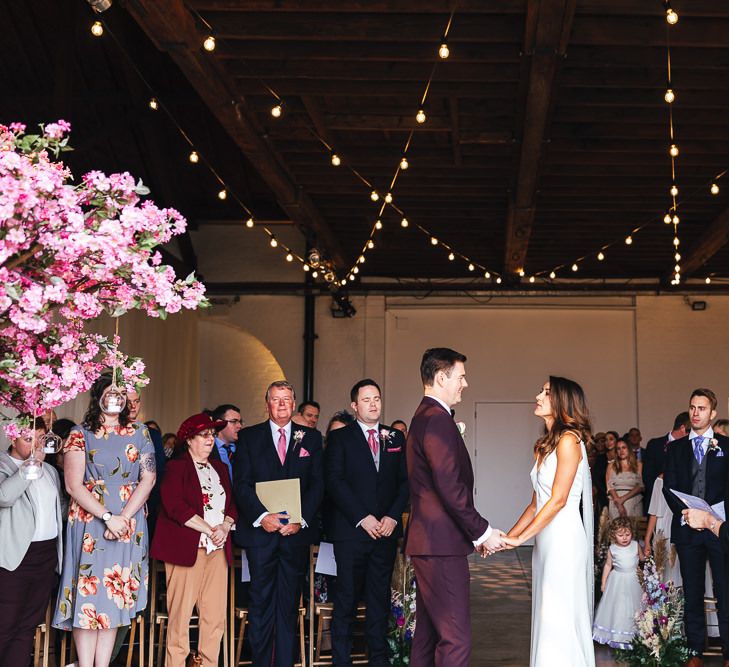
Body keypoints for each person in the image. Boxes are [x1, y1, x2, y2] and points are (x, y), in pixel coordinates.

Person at [404, 348, 503, 667]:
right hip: (440, 544)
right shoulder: (435, 420)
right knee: (456, 638)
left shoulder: (424, 416)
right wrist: (482, 532)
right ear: (441, 377)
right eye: (461, 376)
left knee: (429, 636)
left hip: (430, 542)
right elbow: (449, 487)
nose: (465, 383)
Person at [52, 375, 156, 667]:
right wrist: (107, 517)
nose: (116, 398)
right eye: (110, 392)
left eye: (121, 394)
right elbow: (73, 485)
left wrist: (123, 517)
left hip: (129, 521)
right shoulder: (79, 433)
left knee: (115, 596)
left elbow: (148, 479)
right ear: (98, 395)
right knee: (88, 592)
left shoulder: (141, 433)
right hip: (90, 521)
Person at [503, 376, 594, 667]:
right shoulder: (546, 445)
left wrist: (522, 539)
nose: (538, 396)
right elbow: (535, 504)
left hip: (565, 540)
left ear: (561, 401)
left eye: (545, 392)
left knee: (559, 614)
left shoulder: (570, 440)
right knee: (546, 611)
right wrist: (509, 537)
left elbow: (559, 500)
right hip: (547, 541)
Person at [233, 380, 324, 667]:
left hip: (294, 536)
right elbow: (242, 484)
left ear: (294, 403)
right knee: (260, 604)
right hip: (261, 535)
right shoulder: (249, 437)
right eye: (276, 399)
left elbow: (318, 484)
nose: (282, 404)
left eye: (287, 399)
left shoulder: (310, 437)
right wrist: (263, 517)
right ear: (267, 403)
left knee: (288, 605)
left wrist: (300, 519)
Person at [326, 379, 408, 666]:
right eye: (366, 400)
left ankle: (378, 660)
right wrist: (363, 518)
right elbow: (335, 482)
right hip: (351, 534)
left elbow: (405, 483)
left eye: (377, 399)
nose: (373, 404)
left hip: (384, 534)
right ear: (355, 405)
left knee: (379, 602)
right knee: (346, 601)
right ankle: (341, 661)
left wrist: (392, 517)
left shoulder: (395, 438)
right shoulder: (340, 438)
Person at [151, 413, 238, 667]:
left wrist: (225, 525)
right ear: (189, 440)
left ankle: (208, 664)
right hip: (187, 549)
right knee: (180, 616)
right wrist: (209, 528)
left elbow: (232, 504)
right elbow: (174, 505)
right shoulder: (176, 467)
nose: (210, 439)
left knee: (214, 617)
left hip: (217, 548)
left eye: (212, 434)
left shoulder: (220, 467)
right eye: (204, 435)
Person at [664, 388, 729, 667]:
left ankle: (728, 652)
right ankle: (694, 653)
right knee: (692, 591)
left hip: (719, 531)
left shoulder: (727, 446)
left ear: (712, 413)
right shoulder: (676, 448)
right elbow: (669, 488)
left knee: (724, 590)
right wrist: (687, 514)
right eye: (692, 407)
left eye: (702, 408)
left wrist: (717, 520)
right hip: (688, 530)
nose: (695, 413)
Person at [0, 417, 65, 667]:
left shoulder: (49, 471)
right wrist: (32, 462)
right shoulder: (5, 465)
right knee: (5, 624)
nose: (36, 446)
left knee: (28, 625)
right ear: (12, 438)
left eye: (40, 440)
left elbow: (57, 509)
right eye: (29, 440)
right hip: (15, 557)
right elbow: (4, 497)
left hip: (45, 555)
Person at [592, 517, 643, 649]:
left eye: (627, 534)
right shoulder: (612, 548)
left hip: (633, 579)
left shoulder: (635, 545)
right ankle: (617, 634)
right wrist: (603, 583)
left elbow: (642, 558)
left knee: (634, 606)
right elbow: (608, 566)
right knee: (618, 606)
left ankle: (634, 634)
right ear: (613, 535)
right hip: (617, 580)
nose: (625, 538)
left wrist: (648, 556)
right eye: (620, 535)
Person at [642, 412, 690, 514]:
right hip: (657, 502)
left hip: (681, 504)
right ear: (683, 428)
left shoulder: (689, 448)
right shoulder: (655, 444)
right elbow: (647, 476)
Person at [643, 474, 681, 585]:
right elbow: (654, 513)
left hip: (682, 526)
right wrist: (647, 540)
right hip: (664, 528)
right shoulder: (660, 481)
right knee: (664, 568)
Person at [607, 438, 643, 520]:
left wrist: (623, 499)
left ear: (629, 449)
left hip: (633, 499)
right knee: (616, 528)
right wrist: (619, 504)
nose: (621, 451)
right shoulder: (611, 466)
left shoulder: (638, 465)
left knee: (633, 528)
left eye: (624, 447)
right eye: (618, 448)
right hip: (615, 500)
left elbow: (640, 486)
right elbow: (609, 486)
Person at [210, 404, 243, 481]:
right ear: (219, 424)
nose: (239, 426)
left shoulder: (243, 448)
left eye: (240, 422)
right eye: (234, 421)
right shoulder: (207, 449)